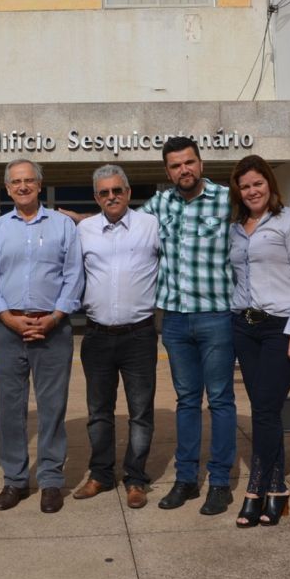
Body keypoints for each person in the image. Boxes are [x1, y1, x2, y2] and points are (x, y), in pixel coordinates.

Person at [0, 158, 83, 514]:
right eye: (16, 182)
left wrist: (55, 317)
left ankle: (51, 480)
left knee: (52, 407)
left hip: (52, 328)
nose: (22, 186)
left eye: (29, 181)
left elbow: (74, 275)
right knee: (10, 408)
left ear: (40, 185)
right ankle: (15, 480)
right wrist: (8, 318)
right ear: (8, 188)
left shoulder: (62, 225)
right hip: (7, 328)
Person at [141, 136, 237, 515]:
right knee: (186, 401)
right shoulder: (159, 204)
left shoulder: (227, 200)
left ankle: (220, 482)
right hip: (175, 320)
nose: (184, 170)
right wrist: (80, 220)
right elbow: (124, 223)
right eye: (176, 165)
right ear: (168, 172)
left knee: (221, 399)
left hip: (217, 317)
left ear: (201, 163)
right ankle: (186, 480)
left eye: (189, 162)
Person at [73, 164, 160, 509]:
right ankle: (100, 474)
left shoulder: (151, 225)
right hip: (96, 335)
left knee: (140, 412)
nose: (111, 197)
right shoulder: (85, 230)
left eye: (117, 190)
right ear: (96, 197)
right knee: (99, 412)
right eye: (104, 192)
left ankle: (136, 479)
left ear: (128, 192)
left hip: (139, 335)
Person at [228, 155, 290, 528]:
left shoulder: (289, 220)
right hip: (244, 326)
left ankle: (255, 488)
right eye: (245, 186)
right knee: (265, 409)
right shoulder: (235, 227)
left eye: (257, 183)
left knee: (263, 409)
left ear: (270, 185)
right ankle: (278, 490)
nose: (252, 191)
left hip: (280, 327)